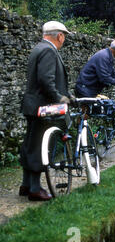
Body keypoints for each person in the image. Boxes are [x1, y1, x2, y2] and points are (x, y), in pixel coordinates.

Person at [19, 21, 73, 201]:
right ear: (59, 36)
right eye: (64, 36)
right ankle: (35, 189)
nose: (63, 40)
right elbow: (46, 81)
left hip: (32, 105)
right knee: (39, 147)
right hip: (43, 107)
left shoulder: (38, 48)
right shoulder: (49, 51)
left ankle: (26, 185)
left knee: (30, 144)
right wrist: (60, 98)